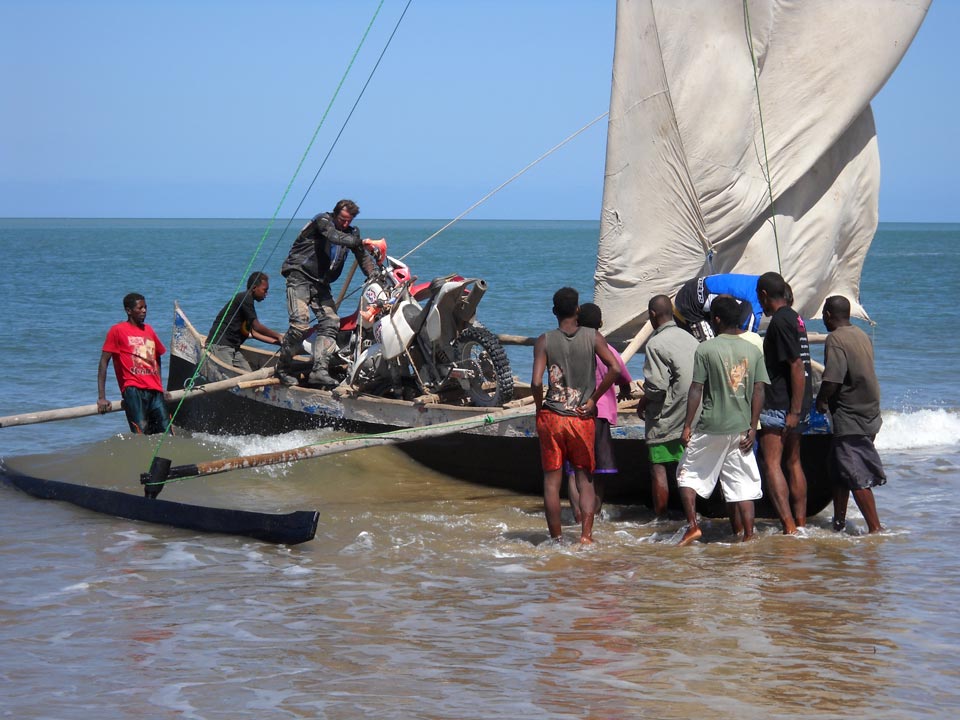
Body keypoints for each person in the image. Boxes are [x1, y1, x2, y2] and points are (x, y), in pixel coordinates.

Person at [676, 296, 769, 545]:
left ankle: (693, 526)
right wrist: (753, 427)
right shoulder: (752, 349)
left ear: (716, 319)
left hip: (711, 425)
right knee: (743, 485)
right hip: (741, 428)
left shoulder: (706, 349)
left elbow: (696, 388)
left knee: (686, 475)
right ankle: (748, 535)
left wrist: (686, 426)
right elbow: (759, 390)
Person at [532, 288, 621, 544]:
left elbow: (536, 382)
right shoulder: (592, 337)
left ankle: (557, 539)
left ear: (553, 312)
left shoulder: (544, 340)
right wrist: (593, 399)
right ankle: (586, 537)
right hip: (581, 419)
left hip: (552, 418)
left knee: (552, 481)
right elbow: (614, 367)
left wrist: (540, 408)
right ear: (578, 310)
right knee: (585, 479)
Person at [276, 199, 387, 387]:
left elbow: (362, 257)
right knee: (299, 326)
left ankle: (319, 370)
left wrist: (376, 276)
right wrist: (362, 241)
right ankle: (283, 368)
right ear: (335, 214)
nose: (345, 224)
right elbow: (334, 237)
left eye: (348, 221)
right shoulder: (322, 221)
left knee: (331, 322)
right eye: (342, 219)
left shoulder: (351, 233)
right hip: (299, 276)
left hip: (321, 283)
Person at [815, 295, 885, 533]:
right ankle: (839, 523)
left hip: (850, 414)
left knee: (856, 475)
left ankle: (875, 528)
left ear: (828, 315)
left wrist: (821, 400)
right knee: (838, 470)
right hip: (870, 411)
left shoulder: (836, 338)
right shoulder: (860, 335)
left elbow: (833, 378)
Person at [564, 303, 633, 521]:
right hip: (600, 417)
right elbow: (623, 376)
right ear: (601, 324)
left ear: (577, 323)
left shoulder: (570, 349)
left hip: (575, 415)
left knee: (574, 469)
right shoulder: (609, 350)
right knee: (599, 470)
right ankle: (594, 512)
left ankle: (577, 513)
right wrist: (624, 389)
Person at [756, 271, 813, 534]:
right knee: (793, 462)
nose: (760, 304)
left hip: (781, 404)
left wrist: (794, 411)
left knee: (771, 464)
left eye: (760, 298)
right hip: (795, 404)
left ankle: (789, 527)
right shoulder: (797, 318)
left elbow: (796, 365)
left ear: (765, 295)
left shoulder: (779, 322)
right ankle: (799, 524)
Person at [636, 294, 699, 518]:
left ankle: (661, 520)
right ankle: (694, 518)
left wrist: (642, 402)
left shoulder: (655, 344)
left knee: (659, 469)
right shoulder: (690, 338)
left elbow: (657, 388)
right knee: (688, 470)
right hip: (693, 417)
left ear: (653, 315)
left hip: (668, 417)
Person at [97, 293, 170, 434]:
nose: (144, 311)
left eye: (145, 307)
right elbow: (103, 362)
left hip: (155, 391)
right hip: (133, 390)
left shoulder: (149, 330)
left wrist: (161, 387)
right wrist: (101, 397)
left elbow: (157, 357)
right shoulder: (117, 330)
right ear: (128, 310)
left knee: (167, 433)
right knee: (141, 432)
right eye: (140, 308)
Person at [206, 272, 284, 371]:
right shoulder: (245, 298)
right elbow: (257, 327)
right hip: (220, 345)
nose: (266, 294)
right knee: (229, 375)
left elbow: (254, 333)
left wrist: (278, 342)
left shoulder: (247, 303)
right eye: (265, 290)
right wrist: (278, 335)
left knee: (248, 373)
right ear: (254, 288)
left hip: (233, 348)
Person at [674, 273, 764, 342]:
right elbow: (746, 342)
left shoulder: (760, 282)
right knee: (712, 351)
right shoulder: (754, 307)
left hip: (697, 288)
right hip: (690, 302)